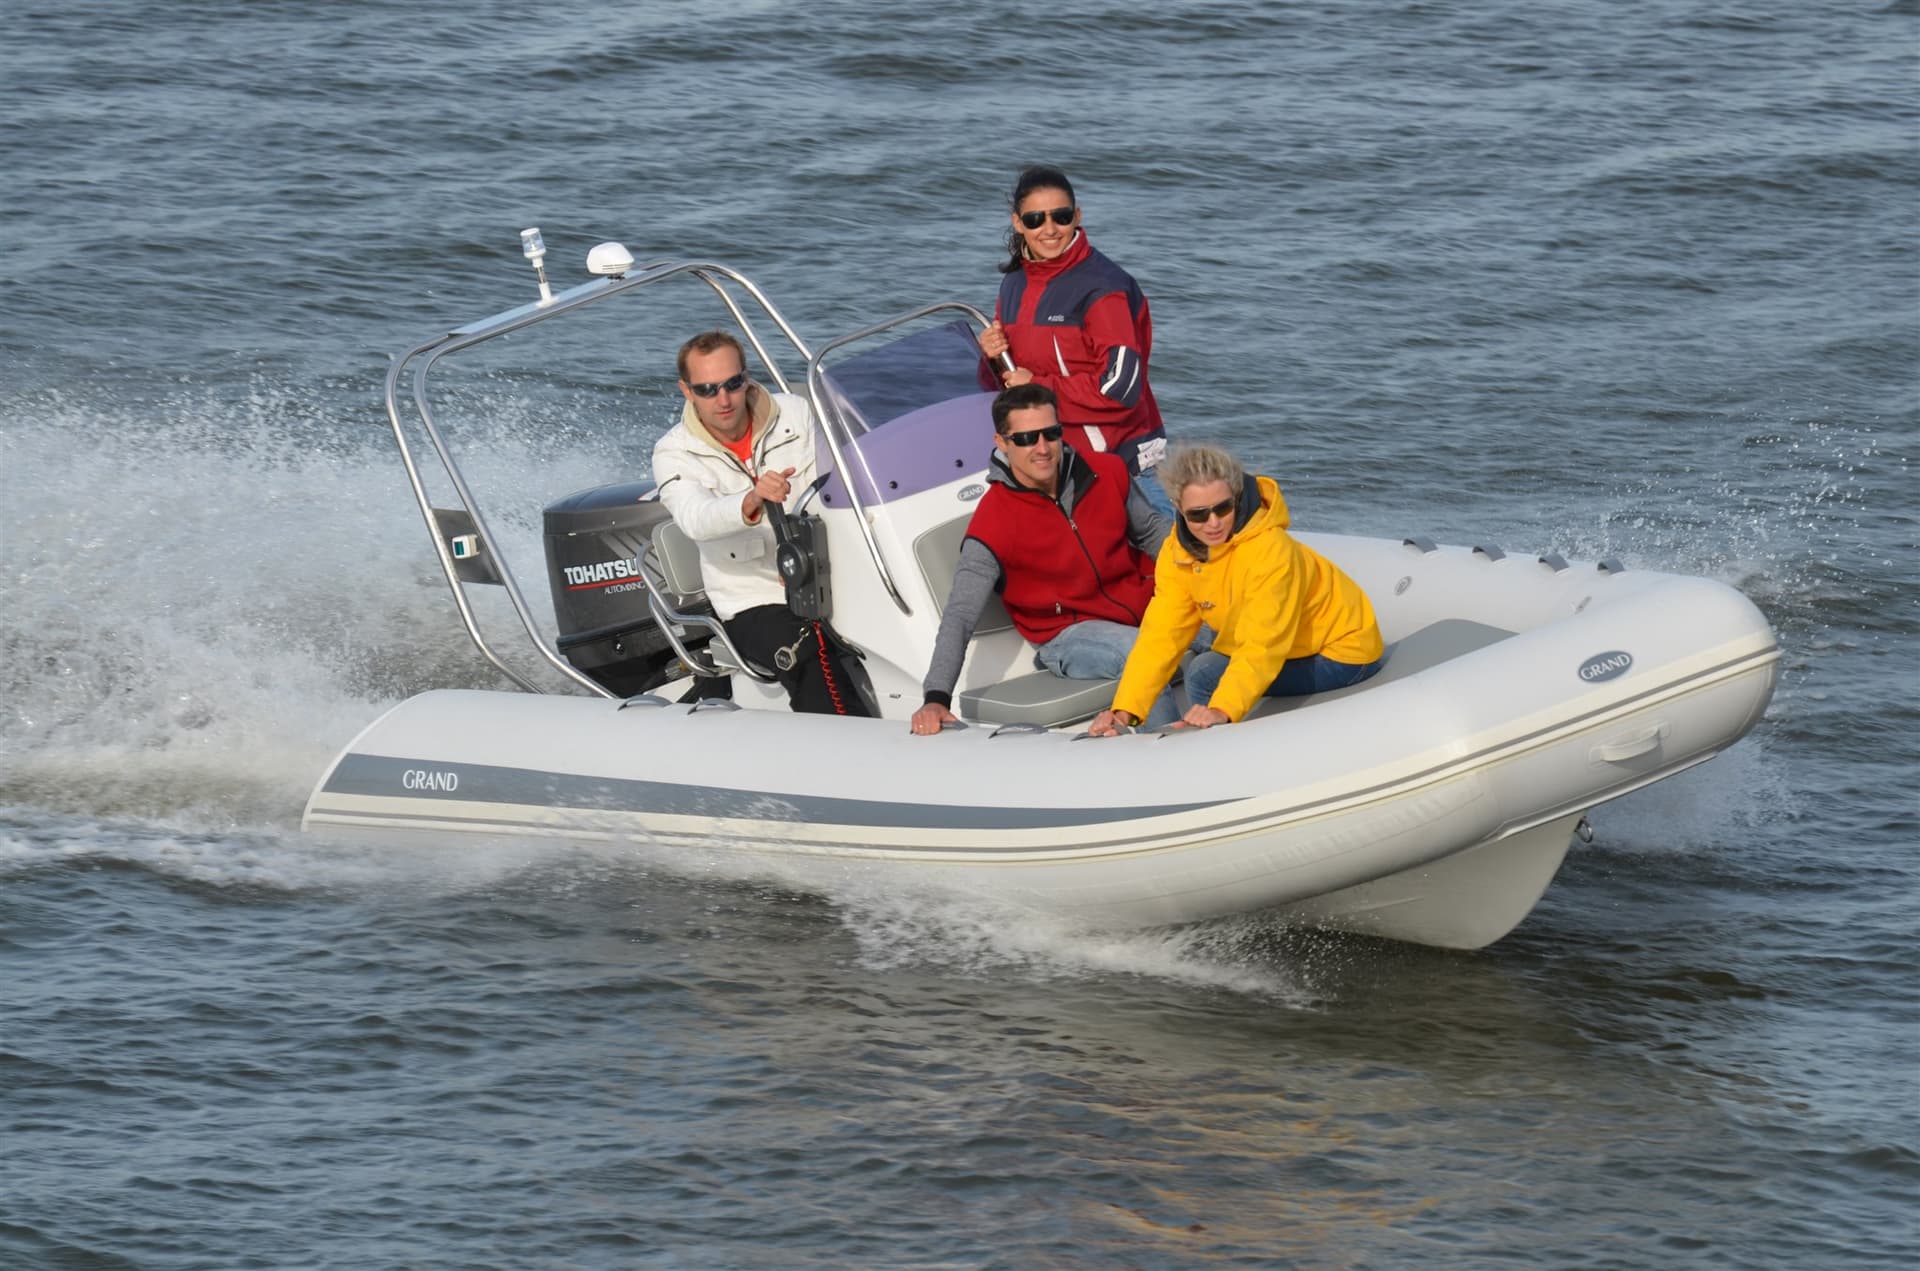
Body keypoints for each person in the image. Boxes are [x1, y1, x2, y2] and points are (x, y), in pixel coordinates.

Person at [910, 384, 1183, 736]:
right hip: (1068, 635)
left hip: (1147, 604)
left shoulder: (1106, 471)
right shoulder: (992, 522)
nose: (1042, 448)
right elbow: (960, 614)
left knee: (1228, 621)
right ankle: (1169, 758)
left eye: (1050, 434)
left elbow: (1154, 533)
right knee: (1145, 652)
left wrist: (1214, 577)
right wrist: (936, 696)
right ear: (1002, 442)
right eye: (1025, 439)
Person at [1088, 444, 1385, 736]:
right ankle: (1190, 741)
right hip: (1294, 646)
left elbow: (1264, 644)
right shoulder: (1177, 554)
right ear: (1179, 508)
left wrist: (1222, 709)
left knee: (1206, 675)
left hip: (1343, 650)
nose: (1213, 523)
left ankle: (1214, 748)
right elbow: (1161, 636)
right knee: (1205, 668)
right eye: (1199, 515)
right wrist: (1124, 711)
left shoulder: (1271, 550)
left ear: (1236, 497)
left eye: (1222, 508)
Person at [651, 330, 871, 717]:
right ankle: (844, 752)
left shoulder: (796, 413)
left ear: (747, 377)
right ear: (686, 391)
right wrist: (750, 500)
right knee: (806, 645)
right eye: (707, 389)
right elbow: (695, 519)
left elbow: (849, 473)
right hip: (752, 597)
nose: (723, 399)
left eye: (733, 384)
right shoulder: (673, 452)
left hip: (828, 571)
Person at [977, 165, 1172, 516]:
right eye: (1035, 219)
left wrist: (1036, 386)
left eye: (1061, 217)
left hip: (1125, 463)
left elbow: (1121, 389)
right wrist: (992, 356)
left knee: (1168, 565)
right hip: (1056, 462)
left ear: (1077, 216)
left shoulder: (1104, 288)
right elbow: (1011, 381)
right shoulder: (1014, 284)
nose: (1049, 230)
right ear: (1018, 223)